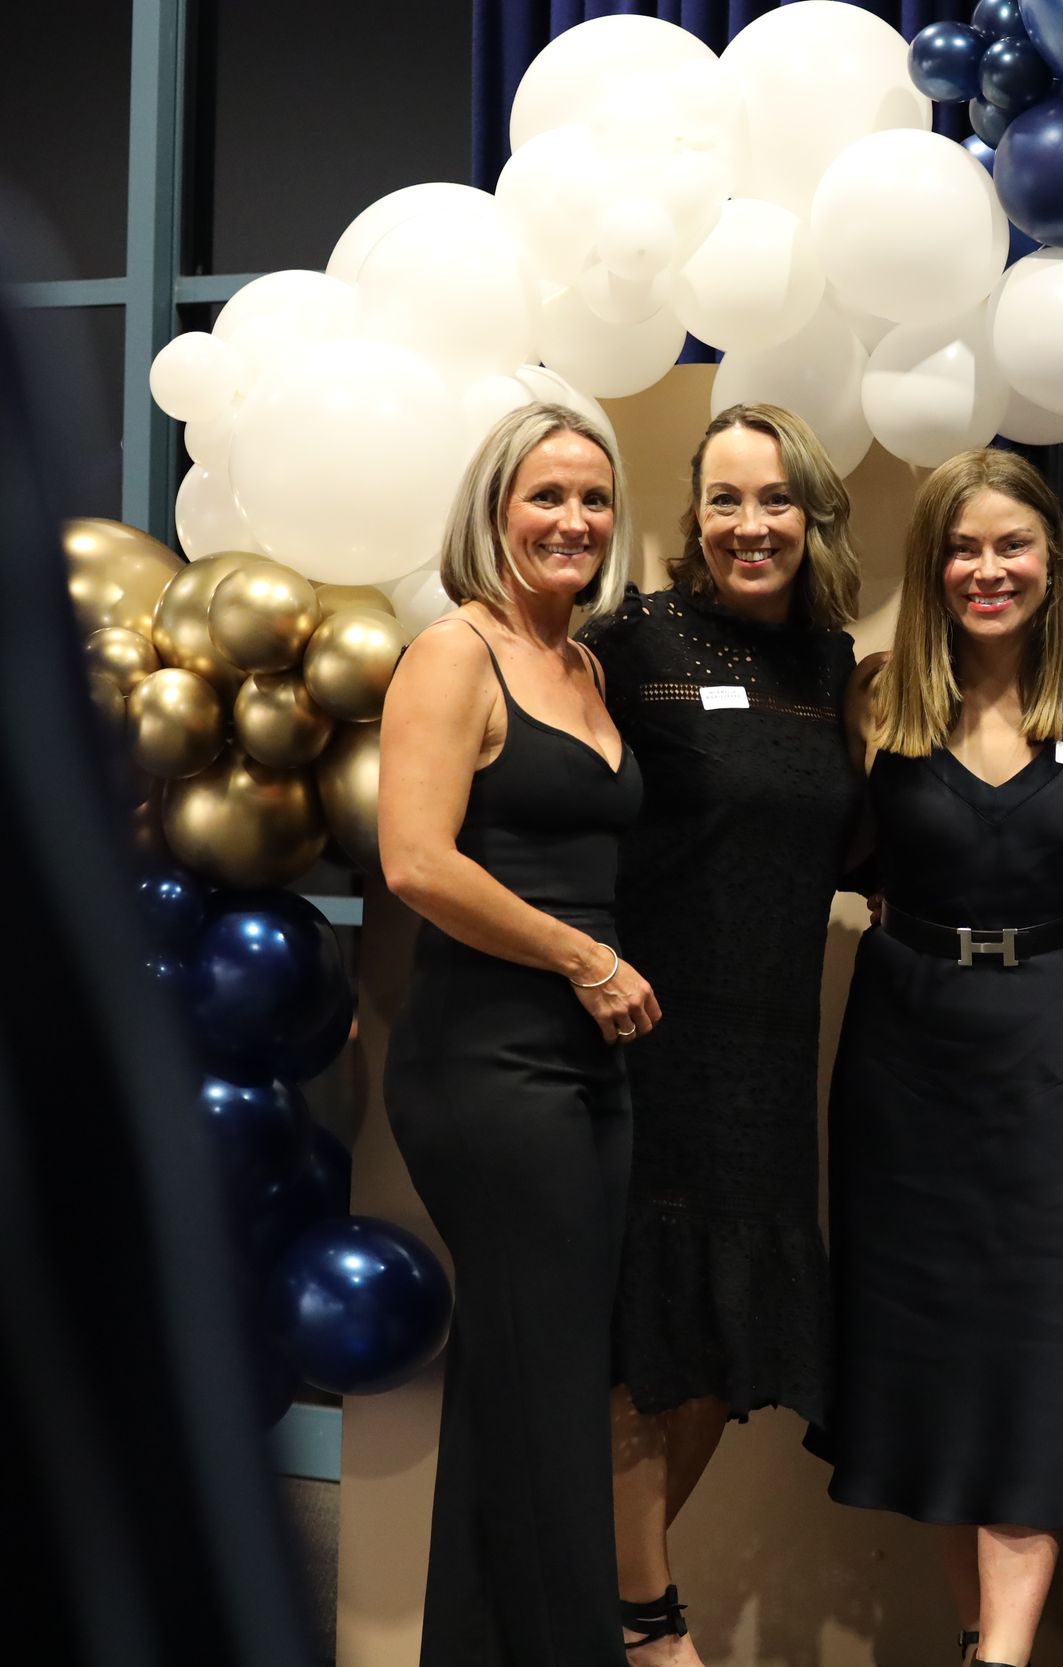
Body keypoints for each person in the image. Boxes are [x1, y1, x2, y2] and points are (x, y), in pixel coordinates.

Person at [816, 448, 1063, 1667]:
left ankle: (1001, 1654)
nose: (988, 569)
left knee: (1044, 1347)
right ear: (929, 564)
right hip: (908, 1062)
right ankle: (984, 1633)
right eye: (962, 548)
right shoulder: (877, 700)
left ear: (1050, 559)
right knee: (937, 1352)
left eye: (1011, 545)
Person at [580, 404, 867, 1666]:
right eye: (726, 499)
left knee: (719, 1345)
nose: (751, 525)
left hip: (770, 1045)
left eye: (776, 499)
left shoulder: (831, 663)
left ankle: (605, 1604)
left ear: (814, 515)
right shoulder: (628, 643)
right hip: (651, 1030)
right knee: (652, 1337)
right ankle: (648, 1623)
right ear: (694, 515)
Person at [378, 402, 655, 1667]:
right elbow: (417, 862)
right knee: (545, 1399)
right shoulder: (454, 655)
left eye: (593, 498)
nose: (573, 520)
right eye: (546, 495)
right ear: (493, 510)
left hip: (587, 1063)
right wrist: (582, 955)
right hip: (487, 1062)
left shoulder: (584, 666)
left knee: (524, 1388)